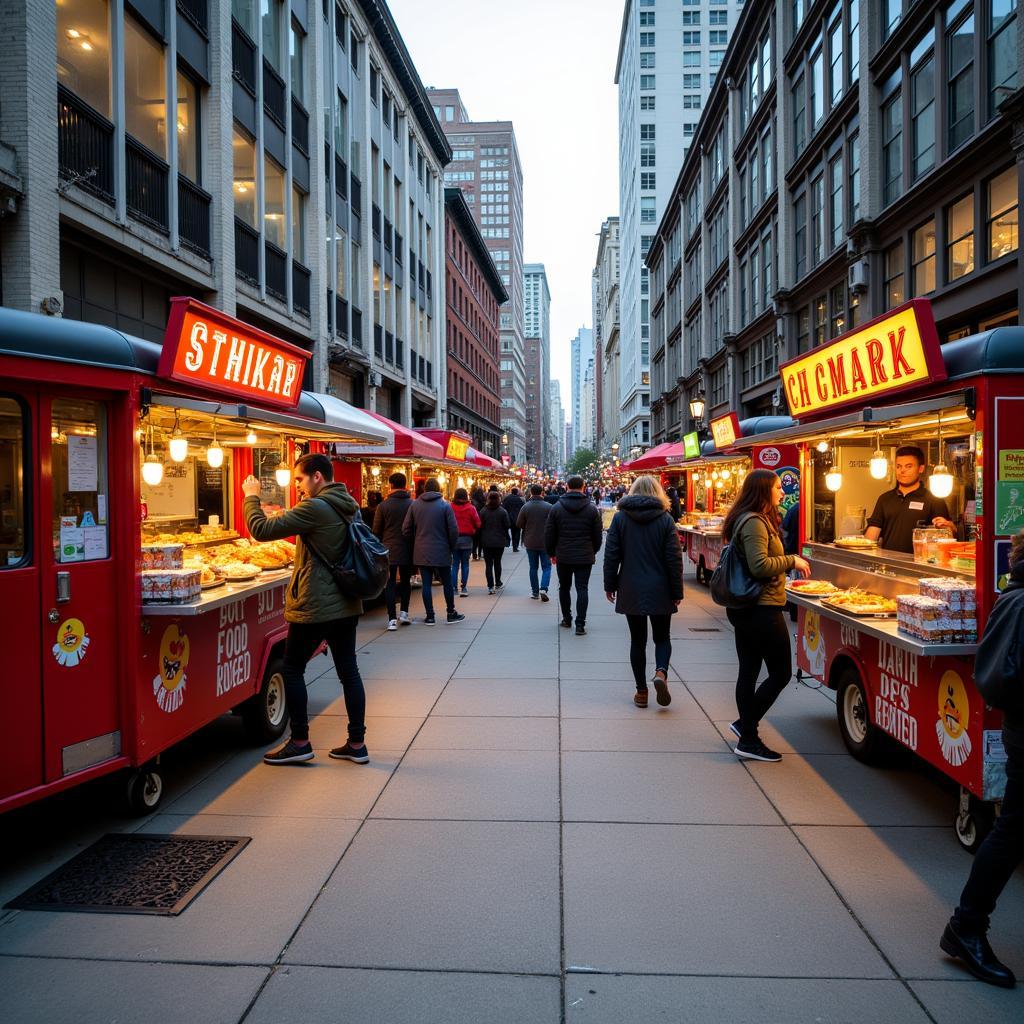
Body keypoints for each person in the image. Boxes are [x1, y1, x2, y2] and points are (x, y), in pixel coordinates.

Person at [243, 454, 369, 766]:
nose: (297, 486)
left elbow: (259, 529)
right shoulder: (346, 503)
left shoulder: (315, 506)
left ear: (316, 476)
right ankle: (357, 743)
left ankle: (299, 741)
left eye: (299, 479)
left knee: (291, 668)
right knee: (349, 672)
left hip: (317, 604)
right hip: (346, 602)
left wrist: (251, 496)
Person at [940, 530, 1024, 988]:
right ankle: (966, 926)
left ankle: (966, 925)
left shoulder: (1013, 594)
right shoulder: (1022, 600)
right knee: (1012, 828)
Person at [721, 468, 811, 762]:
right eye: (776, 487)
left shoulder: (752, 519)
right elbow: (760, 566)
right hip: (761, 608)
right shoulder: (755, 523)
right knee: (780, 672)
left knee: (748, 671)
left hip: (749, 608)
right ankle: (748, 734)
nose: (781, 492)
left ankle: (745, 728)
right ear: (763, 491)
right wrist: (792, 560)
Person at [604, 476, 684, 708]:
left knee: (637, 640)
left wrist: (610, 585)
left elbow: (612, 555)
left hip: (631, 585)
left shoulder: (620, 519)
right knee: (662, 637)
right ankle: (661, 672)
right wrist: (677, 589)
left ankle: (641, 692)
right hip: (660, 586)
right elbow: (674, 558)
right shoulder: (665, 519)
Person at [864, 445, 954, 552]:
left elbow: (945, 536)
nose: (902, 471)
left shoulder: (934, 500)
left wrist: (950, 527)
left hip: (920, 563)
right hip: (889, 562)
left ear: (920, 468)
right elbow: (872, 533)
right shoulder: (885, 499)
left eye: (908, 466)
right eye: (898, 466)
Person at [545, 474, 604, 635]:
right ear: (583, 487)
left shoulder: (556, 507)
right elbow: (597, 535)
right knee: (582, 588)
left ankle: (567, 618)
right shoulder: (592, 509)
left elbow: (549, 533)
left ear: (567, 487)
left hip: (563, 554)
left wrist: (551, 552)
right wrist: (593, 550)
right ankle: (580, 624)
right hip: (585, 554)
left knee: (564, 587)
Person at [403, 478, 465, 624]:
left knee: (426, 584)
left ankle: (430, 616)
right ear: (438, 488)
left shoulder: (415, 505)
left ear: (424, 489)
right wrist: (450, 545)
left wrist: (417, 541)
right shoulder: (445, 506)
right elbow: (454, 530)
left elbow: (406, 529)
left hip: (421, 550)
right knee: (447, 582)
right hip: (442, 549)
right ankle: (450, 612)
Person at [373, 472, 414, 631]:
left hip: (388, 549)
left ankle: (391, 619)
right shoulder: (412, 504)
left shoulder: (383, 506)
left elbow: (376, 530)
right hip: (407, 548)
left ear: (390, 485)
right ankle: (404, 613)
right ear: (405, 485)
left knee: (389, 583)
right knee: (405, 581)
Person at [518, 483, 553, 601]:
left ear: (531, 493)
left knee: (533, 567)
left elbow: (519, 523)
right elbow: (554, 524)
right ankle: (544, 588)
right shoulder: (549, 507)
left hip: (530, 540)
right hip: (545, 541)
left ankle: (535, 591)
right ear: (542, 492)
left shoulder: (526, 507)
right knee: (546, 567)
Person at [479, 489, 511, 594]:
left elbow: (479, 525)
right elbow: (507, 525)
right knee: (497, 562)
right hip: (499, 541)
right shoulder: (502, 511)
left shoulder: (483, 511)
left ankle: (490, 586)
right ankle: (498, 582)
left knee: (488, 564)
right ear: (498, 499)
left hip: (486, 541)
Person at [450, 487, 481, 598]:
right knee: (465, 564)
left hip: (454, 539)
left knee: (454, 565)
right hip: (467, 539)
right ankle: (464, 588)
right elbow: (478, 523)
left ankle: (454, 588)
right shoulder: (471, 508)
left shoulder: (450, 507)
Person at [502, 487, 526, 551]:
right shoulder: (519, 499)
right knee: (517, 532)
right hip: (517, 518)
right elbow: (522, 509)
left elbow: (503, 508)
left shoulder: (507, 499)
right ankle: (515, 546)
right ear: (516, 492)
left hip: (508, 518)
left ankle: (509, 542)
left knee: (510, 531)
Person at [470, 485, 487, 560]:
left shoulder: (473, 503)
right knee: (481, 540)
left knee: (474, 540)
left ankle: (474, 553)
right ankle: (480, 553)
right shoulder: (484, 503)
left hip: (474, 523)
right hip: (482, 523)